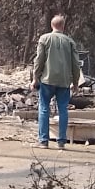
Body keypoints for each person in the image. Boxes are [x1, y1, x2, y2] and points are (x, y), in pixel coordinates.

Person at [32, 14, 82, 149]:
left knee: (44, 108)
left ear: (51, 25)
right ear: (63, 26)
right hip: (64, 81)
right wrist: (75, 82)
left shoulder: (44, 39)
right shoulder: (70, 42)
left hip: (47, 80)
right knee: (63, 110)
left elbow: (39, 60)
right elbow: (76, 64)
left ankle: (43, 141)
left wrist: (35, 78)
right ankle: (61, 142)